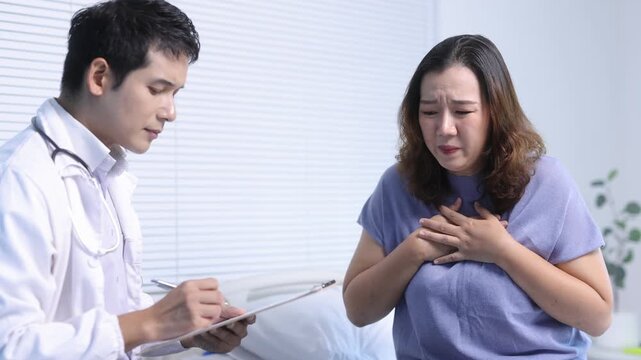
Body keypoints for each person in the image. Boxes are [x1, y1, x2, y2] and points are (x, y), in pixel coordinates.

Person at [0, 1, 254, 358]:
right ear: (100, 77)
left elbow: (114, 324)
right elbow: (10, 345)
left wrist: (184, 332)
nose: (171, 113)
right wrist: (151, 320)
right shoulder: (20, 179)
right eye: (157, 89)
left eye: (175, 93)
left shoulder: (106, 173)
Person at [342, 34, 613, 359]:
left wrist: (502, 251)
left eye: (462, 111)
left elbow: (597, 317)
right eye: (429, 112)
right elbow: (358, 310)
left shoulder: (546, 183)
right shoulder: (398, 186)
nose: (444, 128)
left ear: (494, 113)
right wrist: (414, 249)